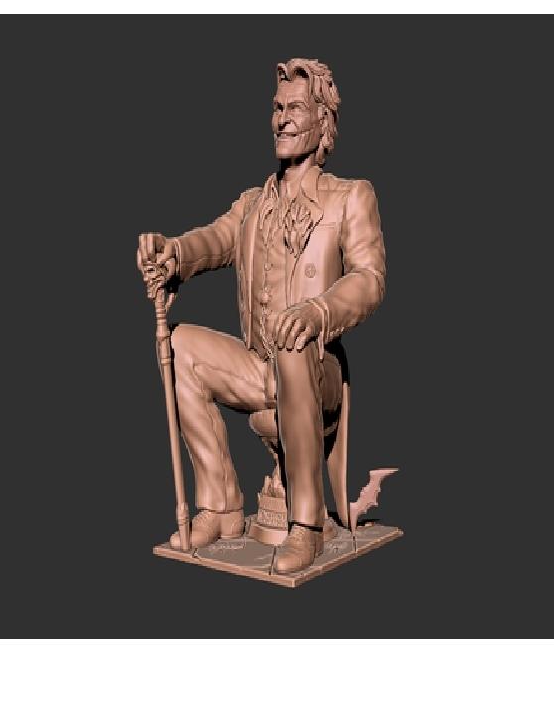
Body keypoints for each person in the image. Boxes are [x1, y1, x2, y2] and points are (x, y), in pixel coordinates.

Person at [137, 58, 386, 573]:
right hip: (260, 367)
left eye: (295, 107)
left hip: (317, 368)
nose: (282, 119)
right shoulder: (253, 203)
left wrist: (318, 311)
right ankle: (221, 506)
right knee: (179, 347)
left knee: (293, 345)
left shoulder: (350, 197)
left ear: (322, 120)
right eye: (276, 108)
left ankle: (307, 525)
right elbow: (214, 240)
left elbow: (369, 279)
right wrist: (173, 252)